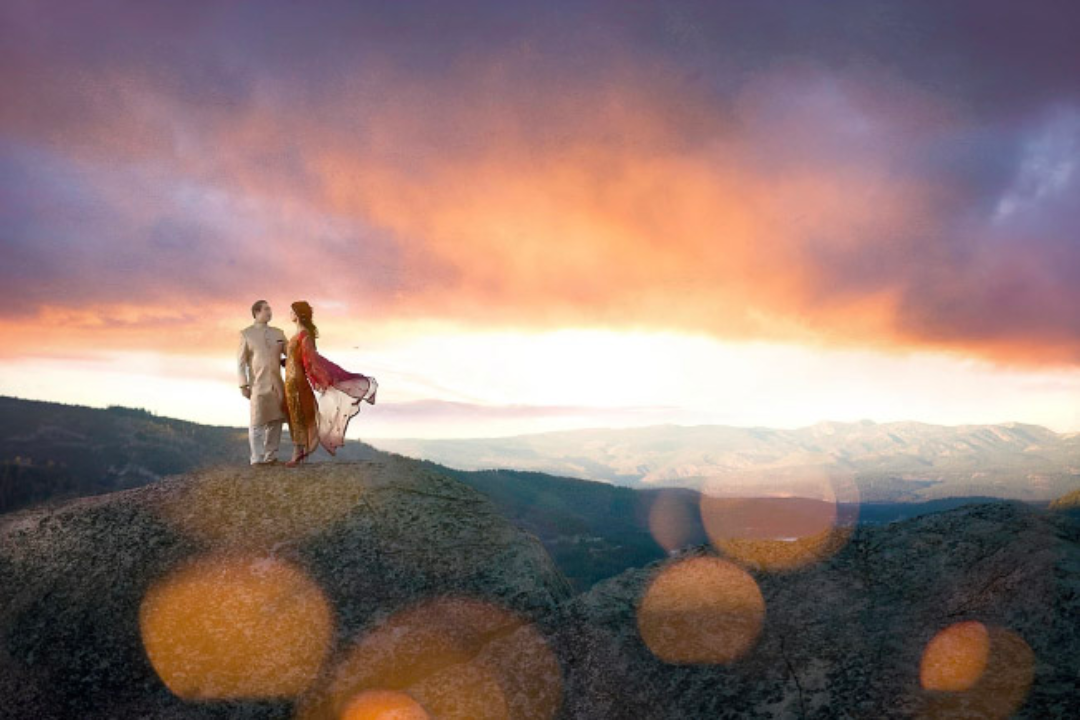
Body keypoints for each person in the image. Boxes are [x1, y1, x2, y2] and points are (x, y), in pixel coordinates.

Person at [284, 300, 378, 467]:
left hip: (296, 380)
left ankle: (297, 453)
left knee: (298, 413)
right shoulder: (298, 334)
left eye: (291, 311)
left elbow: (310, 361)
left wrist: (321, 378)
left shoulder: (304, 335)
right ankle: (300, 452)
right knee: (293, 413)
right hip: (289, 379)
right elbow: (297, 358)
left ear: (297, 315)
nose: (289, 314)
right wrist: (286, 361)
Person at [237, 300, 288, 465]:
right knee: (257, 422)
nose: (270, 312)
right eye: (266, 309)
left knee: (276, 420)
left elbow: (290, 354)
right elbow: (241, 363)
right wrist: (243, 385)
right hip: (257, 385)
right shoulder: (246, 334)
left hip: (277, 383)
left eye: (270, 309)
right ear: (257, 312)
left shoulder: (279, 333)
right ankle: (257, 460)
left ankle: (271, 457)